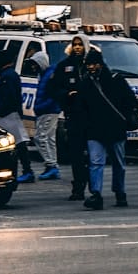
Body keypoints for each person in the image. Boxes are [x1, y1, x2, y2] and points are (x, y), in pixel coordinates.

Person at [78, 48, 138, 210]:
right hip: (109, 128)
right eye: (89, 64)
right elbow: (130, 101)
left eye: (94, 64)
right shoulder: (111, 79)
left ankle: (106, 193)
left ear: (100, 64)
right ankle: (105, 193)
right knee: (109, 163)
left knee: (100, 163)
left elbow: (82, 107)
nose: (91, 67)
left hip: (103, 128)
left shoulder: (99, 81)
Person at [47, 33, 94, 201]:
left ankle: (95, 187)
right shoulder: (64, 65)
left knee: (93, 155)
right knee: (76, 155)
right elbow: (52, 88)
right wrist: (67, 94)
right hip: (73, 115)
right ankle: (78, 188)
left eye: (80, 44)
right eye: (75, 44)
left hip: (92, 117)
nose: (77, 47)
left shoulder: (93, 63)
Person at [0, 49, 35, 182]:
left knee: (15, 144)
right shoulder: (11, 75)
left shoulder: (8, 76)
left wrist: (1, 111)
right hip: (11, 114)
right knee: (18, 143)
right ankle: (25, 170)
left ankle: (26, 170)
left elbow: (9, 97)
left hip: (9, 115)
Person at [30, 50, 62, 181]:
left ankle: (51, 164)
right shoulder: (46, 75)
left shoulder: (49, 76)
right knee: (49, 138)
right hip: (49, 110)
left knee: (40, 137)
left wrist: (40, 107)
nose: (33, 67)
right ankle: (52, 165)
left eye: (35, 64)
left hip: (48, 110)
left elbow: (52, 95)